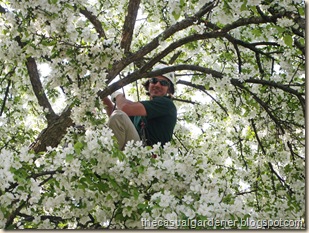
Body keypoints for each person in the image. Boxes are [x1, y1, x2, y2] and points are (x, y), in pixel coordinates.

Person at [102, 65, 177, 150]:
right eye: (154, 81)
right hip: (133, 150)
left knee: (119, 115)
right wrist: (102, 97)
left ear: (169, 89)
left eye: (163, 83)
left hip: (146, 156)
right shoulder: (139, 113)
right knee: (107, 126)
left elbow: (124, 108)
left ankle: (107, 156)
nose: (157, 85)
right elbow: (117, 123)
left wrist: (118, 96)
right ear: (149, 84)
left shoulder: (166, 105)